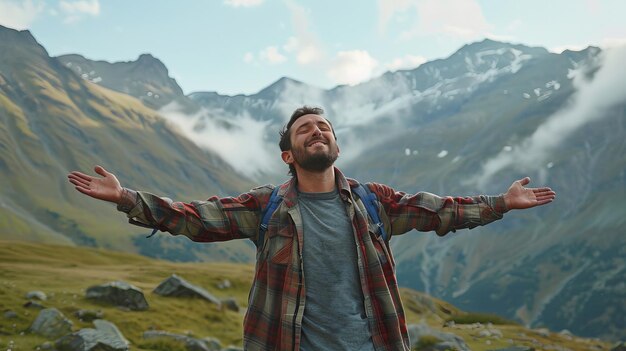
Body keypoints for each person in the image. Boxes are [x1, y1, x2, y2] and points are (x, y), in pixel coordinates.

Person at [68, 106, 556, 351]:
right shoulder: (266, 207)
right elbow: (194, 218)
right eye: (305, 130)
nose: (318, 132)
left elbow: (440, 210)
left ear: (336, 147)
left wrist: (500, 203)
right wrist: (128, 198)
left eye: (325, 128)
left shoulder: (374, 202)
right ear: (289, 154)